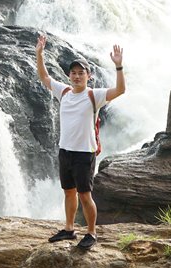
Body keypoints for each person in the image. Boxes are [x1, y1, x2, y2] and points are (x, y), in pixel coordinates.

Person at [35, 33, 125, 250]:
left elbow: (121, 90)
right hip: (65, 151)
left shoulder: (95, 95)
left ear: (88, 76)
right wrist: (39, 54)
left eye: (81, 73)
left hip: (84, 153)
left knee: (85, 195)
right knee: (68, 192)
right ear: (69, 76)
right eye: (73, 73)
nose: (77, 76)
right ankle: (69, 229)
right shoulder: (63, 92)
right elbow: (45, 78)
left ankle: (92, 233)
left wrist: (119, 67)